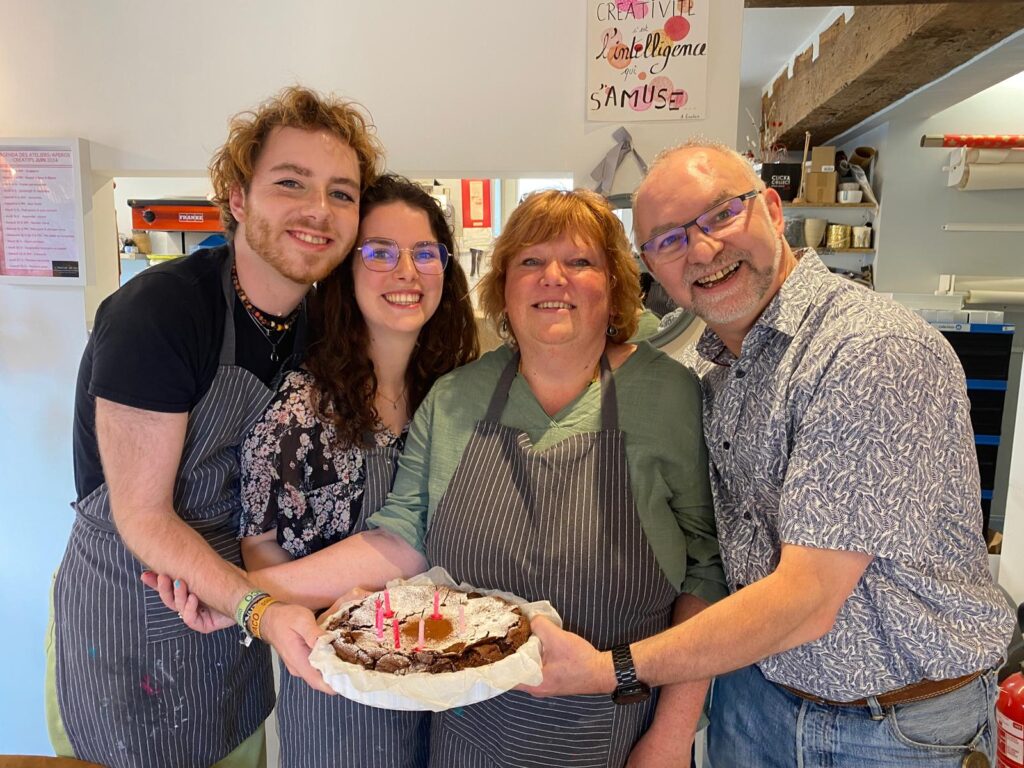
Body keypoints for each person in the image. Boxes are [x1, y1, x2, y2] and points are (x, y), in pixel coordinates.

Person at [157, 188, 726, 767]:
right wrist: (239, 597)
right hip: (463, 737)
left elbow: (708, 572)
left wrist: (672, 734)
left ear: (615, 284)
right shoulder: (458, 396)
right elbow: (403, 535)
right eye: (530, 261)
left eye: (581, 261)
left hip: (615, 735)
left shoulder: (671, 397)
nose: (553, 277)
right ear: (502, 284)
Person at [522, 142, 1017, 767]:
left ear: (774, 210)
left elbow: (806, 600)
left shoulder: (869, 350)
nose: (701, 250)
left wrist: (607, 669)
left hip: (893, 729)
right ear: (652, 270)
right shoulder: (716, 373)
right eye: (669, 241)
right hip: (755, 701)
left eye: (721, 214)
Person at [47, 86, 384, 768]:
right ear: (237, 197)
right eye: (291, 183)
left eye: (342, 193)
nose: (318, 210)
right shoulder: (162, 313)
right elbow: (142, 517)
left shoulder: (316, 326)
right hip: (129, 616)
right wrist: (260, 607)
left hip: (226, 613)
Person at [240, 174, 478, 768]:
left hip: (446, 676)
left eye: (425, 253)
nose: (407, 272)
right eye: (379, 253)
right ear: (345, 270)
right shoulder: (302, 407)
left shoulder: (452, 396)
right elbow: (258, 545)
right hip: (339, 692)